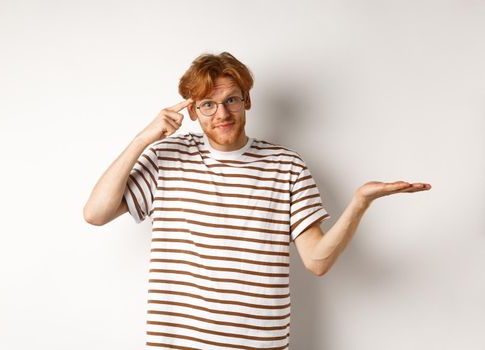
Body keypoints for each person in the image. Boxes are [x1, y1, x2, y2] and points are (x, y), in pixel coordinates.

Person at [83, 52, 431, 349]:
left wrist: (359, 203)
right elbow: (95, 214)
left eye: (231, 100)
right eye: (208, 104)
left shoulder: (287, 166)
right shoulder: (168, 157)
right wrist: (143, 138)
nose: (222, 113)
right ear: (192, 111)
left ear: (247, 100)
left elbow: (318, 261)